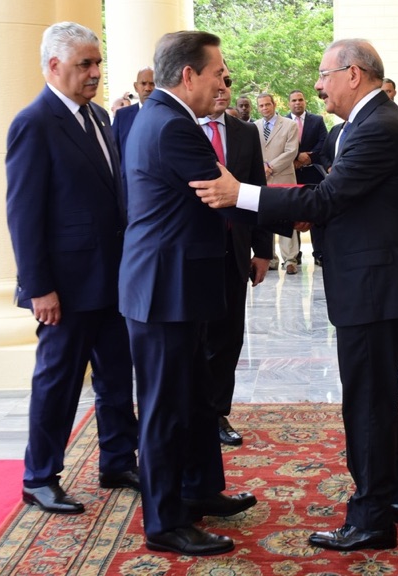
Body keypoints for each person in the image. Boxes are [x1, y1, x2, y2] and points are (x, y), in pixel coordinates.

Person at [192, 38, 398, 552]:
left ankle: (371, 518)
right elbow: (350, 201)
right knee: (376, 396)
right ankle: (395, 497)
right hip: (375, 281)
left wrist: (239, 193)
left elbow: (327, 197)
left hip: (375, 286)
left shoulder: (378, 126)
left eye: (325, 75)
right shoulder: (373, 121)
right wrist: (315, 213)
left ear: (354, 74)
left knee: (366, 403)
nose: (317, 85)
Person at [119, 30, 260, 557]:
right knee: (166, 409)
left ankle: (201, 490)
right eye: (218, 72)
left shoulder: (162, 116)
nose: (224, 82)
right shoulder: (172, 125)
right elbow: (225, 194)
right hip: (165, 290)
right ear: (188, 75)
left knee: (197, 397)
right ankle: (165, 521)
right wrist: (309, 207)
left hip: (181, 284)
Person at [4, 21, 138, 516]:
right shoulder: (34, 122)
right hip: (64, 288)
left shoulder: (100, 117)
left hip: (112, 280)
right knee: (57, 383)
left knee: (117, 377)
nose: (95, 72)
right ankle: (39, 477)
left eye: (98, 62)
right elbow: (23, 214)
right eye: (85, 64)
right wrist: (39, 287)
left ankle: (118, 461)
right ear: (54, 65)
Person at [199, 73, 273, 447]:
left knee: (229, 337)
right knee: (197, 337)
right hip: (193, 255)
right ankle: (193, 412)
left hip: (235, 248)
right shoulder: (181, 128)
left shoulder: (245, 133)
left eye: (228, 81)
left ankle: (217, 412)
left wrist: (263, 250)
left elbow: (257, 189)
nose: (223, 88)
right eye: (217, 80)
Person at [255, 92, 301, 274]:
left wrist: (270, 167)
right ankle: (270, 258)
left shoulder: (289, 125)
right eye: (261, 105)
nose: (265, 108)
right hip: (263, 179)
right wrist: (261, 169)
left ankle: (290, 259)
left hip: (284, 177)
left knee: (287, 217)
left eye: (267, 104)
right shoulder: (254, 127)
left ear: (274, 105)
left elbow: (291, 151)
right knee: (266, 218)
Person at [287, 89, 329, 265]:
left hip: (313, 173)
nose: (297, 103)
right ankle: (294, 255)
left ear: (305, 102)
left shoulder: (317, 120)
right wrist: (296, 157)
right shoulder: (283, 122)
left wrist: (308, 158)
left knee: (315, 213)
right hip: (291, 174)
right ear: (289, 103)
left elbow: (324, 142)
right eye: (294, 100)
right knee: (293, 213)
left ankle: (319, 253)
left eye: (300, 100)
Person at [111, 66, 155, 160]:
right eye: (143, 83)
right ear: (136, 87)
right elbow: (113, 151)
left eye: (152, 84)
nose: (147, 88)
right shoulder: (122, 116)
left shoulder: (168, 116)